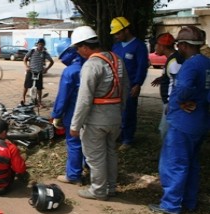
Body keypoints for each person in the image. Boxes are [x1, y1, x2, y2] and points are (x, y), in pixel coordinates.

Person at [148, 26, 210, 214]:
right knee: (191, 163)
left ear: (183, 45)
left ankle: (171, 204)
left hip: (183, 122)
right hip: (200, 121)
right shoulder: (206, 63)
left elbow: (183, 90)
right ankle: (189, 202)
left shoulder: (191, 65)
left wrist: (184, 100)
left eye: (179, 44)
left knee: (174, 163)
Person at [69, 26, 129, 200]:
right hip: (114, 117)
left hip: (96, 120)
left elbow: (84, 99)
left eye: (77, 49)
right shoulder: (117, 60)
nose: (78, 52)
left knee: (95, 157)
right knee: (110, 153)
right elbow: (125, 89)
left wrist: (75, 125)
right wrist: (119, 111)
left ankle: (98, 190)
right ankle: (110, 187)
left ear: (84, 47)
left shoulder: (91, 65)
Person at [110, 16, 149, 151]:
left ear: (126, 30)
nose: (116, 36)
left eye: (118, 33)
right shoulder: (116, 46)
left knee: (129, 112)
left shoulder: (139, 46)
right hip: (116, 86)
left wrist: (137, 84)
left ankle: (128, 139)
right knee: (116, 111)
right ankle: (118, 134)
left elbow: (141, 66)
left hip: (130, 86)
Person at [52, 39, 86, 185]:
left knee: (74, 144)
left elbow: (63, 97)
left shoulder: (71, 71)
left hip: (74, 113)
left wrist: (56, 115)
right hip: (93, 113)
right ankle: (90, 169)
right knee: (89, 143)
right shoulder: (92, 65)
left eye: (61, 57)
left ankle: (73, 175)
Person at [150, 33, 183, 139]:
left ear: (162, 46)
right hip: (170, 102)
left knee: (165, 131)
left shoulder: (174, 62)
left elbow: (178, 84)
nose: (155, 47)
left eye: (156, 45)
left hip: (171, 103)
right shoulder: (172, 59)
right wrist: (162, 78)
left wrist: (170, 103)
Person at [23, 38, 54, 106]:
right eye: (39, 44)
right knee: (26, 86)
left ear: (44, 45)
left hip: (39, 72)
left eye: (42, 45)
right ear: (37, 44)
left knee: (39, 88)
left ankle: (39, 101)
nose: (40, 46)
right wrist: (27, 67)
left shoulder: (45, 53)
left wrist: (46, 69)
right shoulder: (32, 51)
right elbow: (25, 59)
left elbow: (52, 62)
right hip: (30, 71)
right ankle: (23, 99)